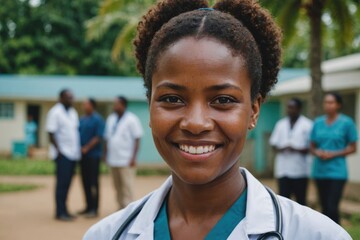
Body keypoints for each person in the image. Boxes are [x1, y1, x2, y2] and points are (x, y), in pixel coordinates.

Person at [84, 0, 351, 239]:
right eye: (172, 99)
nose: (196, 123)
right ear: (150, 105)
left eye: (223, 100)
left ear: (254, 110)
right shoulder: (106, 234)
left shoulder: (317, 235)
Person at [310, 92, 358, 224]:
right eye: (326, 102)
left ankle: (337, 234)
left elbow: (353, 147)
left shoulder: (347, 123)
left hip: (337, 171)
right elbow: (312, 146)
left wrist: (334, 154)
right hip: (320, 171)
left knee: (332, 207)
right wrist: (318, 152)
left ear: (338, 105)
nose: (328, 105)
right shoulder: (318, 122)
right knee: (324, 207)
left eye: (331, 102)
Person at [269, 98, 312, 205]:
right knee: (283, 201)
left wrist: (296, 149)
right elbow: (273, 144)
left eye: (292, 107)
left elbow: (312, 148)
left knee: (301, 201)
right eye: (288, 107)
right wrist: (282, 148)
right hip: (283, 170)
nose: (290, 110)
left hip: (300, 171)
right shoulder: (281, 124)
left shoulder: (308, 125)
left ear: (299, 109)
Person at [46, 89, 81, 222]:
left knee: (67, 184)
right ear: (61, 98)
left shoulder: (73, 112)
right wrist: (58, 151)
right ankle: (59, 212)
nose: (71, 100)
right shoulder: (55, 112)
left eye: (72, 97)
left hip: (73, 154)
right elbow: (51, 132)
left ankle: (65, 210)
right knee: (61, 184)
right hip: (63, 154)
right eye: (68, 97)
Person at [104, 96, 143, 210]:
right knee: (117, 186)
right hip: (113, 159)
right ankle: (120, 209)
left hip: (126, 159)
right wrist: (105, 154)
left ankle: (129, 210)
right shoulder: (111, 118)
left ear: (123, 105)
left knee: (127, 186)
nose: (114, 106)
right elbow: (107, 138)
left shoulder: (132, 119)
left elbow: (137, 139)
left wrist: (133, 158)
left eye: (117, 104)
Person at [78, 98, 105, 218]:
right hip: (82, 156)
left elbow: (98, 137)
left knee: (94, 182)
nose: (84, 106)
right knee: (85, 182)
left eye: (86, 104)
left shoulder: (97, 119)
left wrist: (87, 147)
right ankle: (88, 206)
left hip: (93, 156)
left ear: (92, 106)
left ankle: (94, 209)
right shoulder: (82, 119)